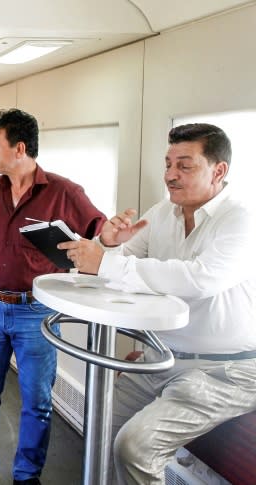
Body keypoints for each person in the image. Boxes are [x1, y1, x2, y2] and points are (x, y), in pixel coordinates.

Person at [59, 123, 256, 485]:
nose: (170, 175)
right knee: (100, 426)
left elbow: (199, 279)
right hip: (163, 357)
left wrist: (107, 260)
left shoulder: (243, 218)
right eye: (167, 164)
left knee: (136, 447)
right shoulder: (164, 212)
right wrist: (109, 244)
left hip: (226, 372)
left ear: (219, 170)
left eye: (184, 165)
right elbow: (119, 268)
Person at [0, 109, 106, 485]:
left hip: (36, 314)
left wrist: (108, 239)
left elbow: (99, 237)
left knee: (37, 403)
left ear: (19, 148)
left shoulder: (65, 192)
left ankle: (27, 476)